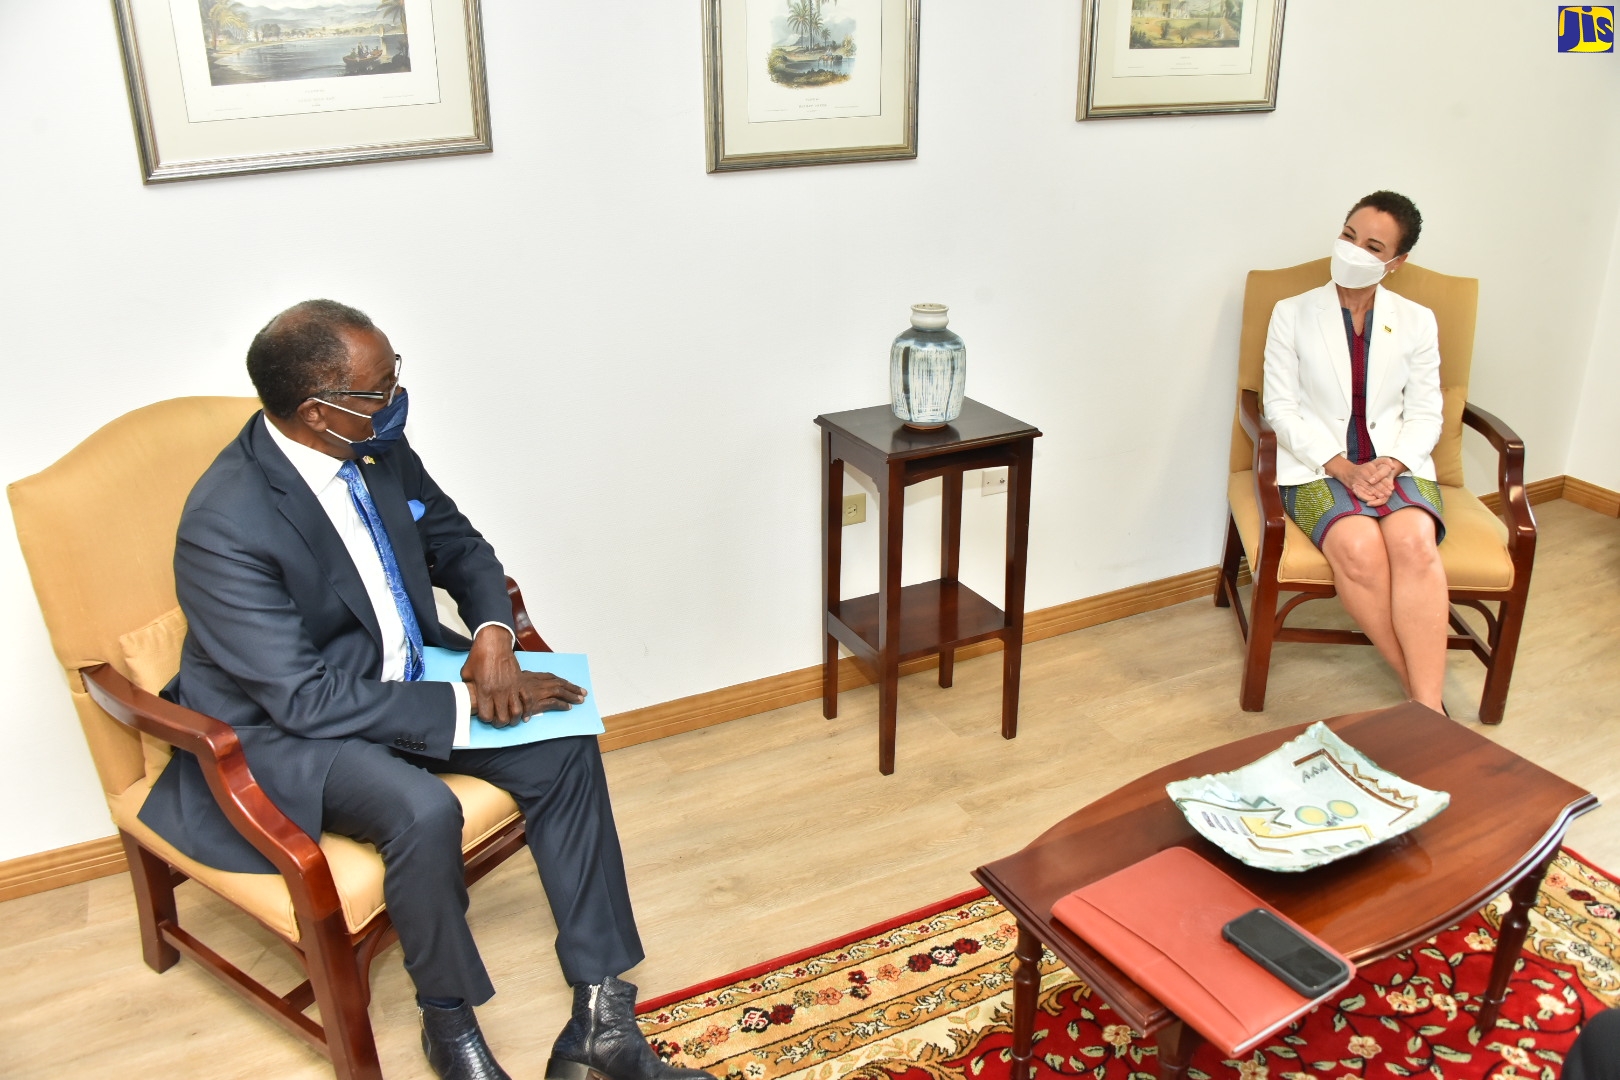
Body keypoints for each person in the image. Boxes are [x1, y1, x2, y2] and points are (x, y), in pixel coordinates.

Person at [138, 299, 713, 1080]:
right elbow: (302, 698)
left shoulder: (373, 444)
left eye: (393, 374)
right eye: (381, 388)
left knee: (564, 743)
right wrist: (463, 703)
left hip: (401, 676)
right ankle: (449, 1029)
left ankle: (601, 1019)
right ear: (319, 412)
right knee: (421, 810)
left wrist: (492, 638)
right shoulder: (224, 523)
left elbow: (457, 543)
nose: (396, 397)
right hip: (290, 730)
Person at [1261, 191, 1450, 714]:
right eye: (1348, 236)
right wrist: (1341, 466)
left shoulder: (1417, 321)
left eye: (1372, 246)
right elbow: (1279, 407)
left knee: (1413, 543)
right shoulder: (1291, 314)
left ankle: (1426, 708)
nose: (1353, 251)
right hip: (1317, 467)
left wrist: (1392, 463)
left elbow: (1427, 411)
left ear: (1396, 263)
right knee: (1362, 550)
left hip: (1397, 461)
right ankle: (1423, 700)